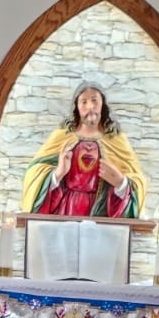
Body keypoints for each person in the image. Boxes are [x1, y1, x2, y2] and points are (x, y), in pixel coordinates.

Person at [21, 82, 146, 217]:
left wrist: (121, 183)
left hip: (101, 217)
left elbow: (137, 180)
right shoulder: (61, 137)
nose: (90, 107)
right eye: (84, 102)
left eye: (94, 100)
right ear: (76, 106)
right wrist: (58, 174)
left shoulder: (116, 140)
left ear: (103, 104)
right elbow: (33, 172)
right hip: (65, 213)